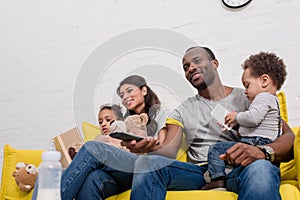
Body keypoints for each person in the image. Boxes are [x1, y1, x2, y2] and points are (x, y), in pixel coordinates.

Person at [125, 46, 294, 200]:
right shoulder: (182, 111)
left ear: (214, 63)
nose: (191, 68)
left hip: (242, 167)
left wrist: (262, 152)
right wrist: (148, 147)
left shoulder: (250, 96)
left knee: (262, 169)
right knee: (147, 164)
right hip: (201, 174)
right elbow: (169, 150)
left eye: (197, 61)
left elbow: (288, 137)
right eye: (186, 67)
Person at [56, 75, 169, 200]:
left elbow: (164, 148)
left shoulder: (160, 112)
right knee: (93, 178)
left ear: (144, 90)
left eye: (129, 91)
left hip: (146, 166)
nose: (125, 97)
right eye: (122, 95)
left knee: (92, 148)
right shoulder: (122, 122)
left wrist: (144, 145)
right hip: (123, 172)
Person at [201, 51, 287, 190]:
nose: (245, 91)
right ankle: (226, 173)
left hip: (256, 142)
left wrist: (236, 116)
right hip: (261, 143)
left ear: (264, 81)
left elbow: (253, 118)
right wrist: (234, 126)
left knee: (216, 149)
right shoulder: (271, 100)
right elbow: (255, 125)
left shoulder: (263, 97)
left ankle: (217, 179)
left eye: (247, 85)